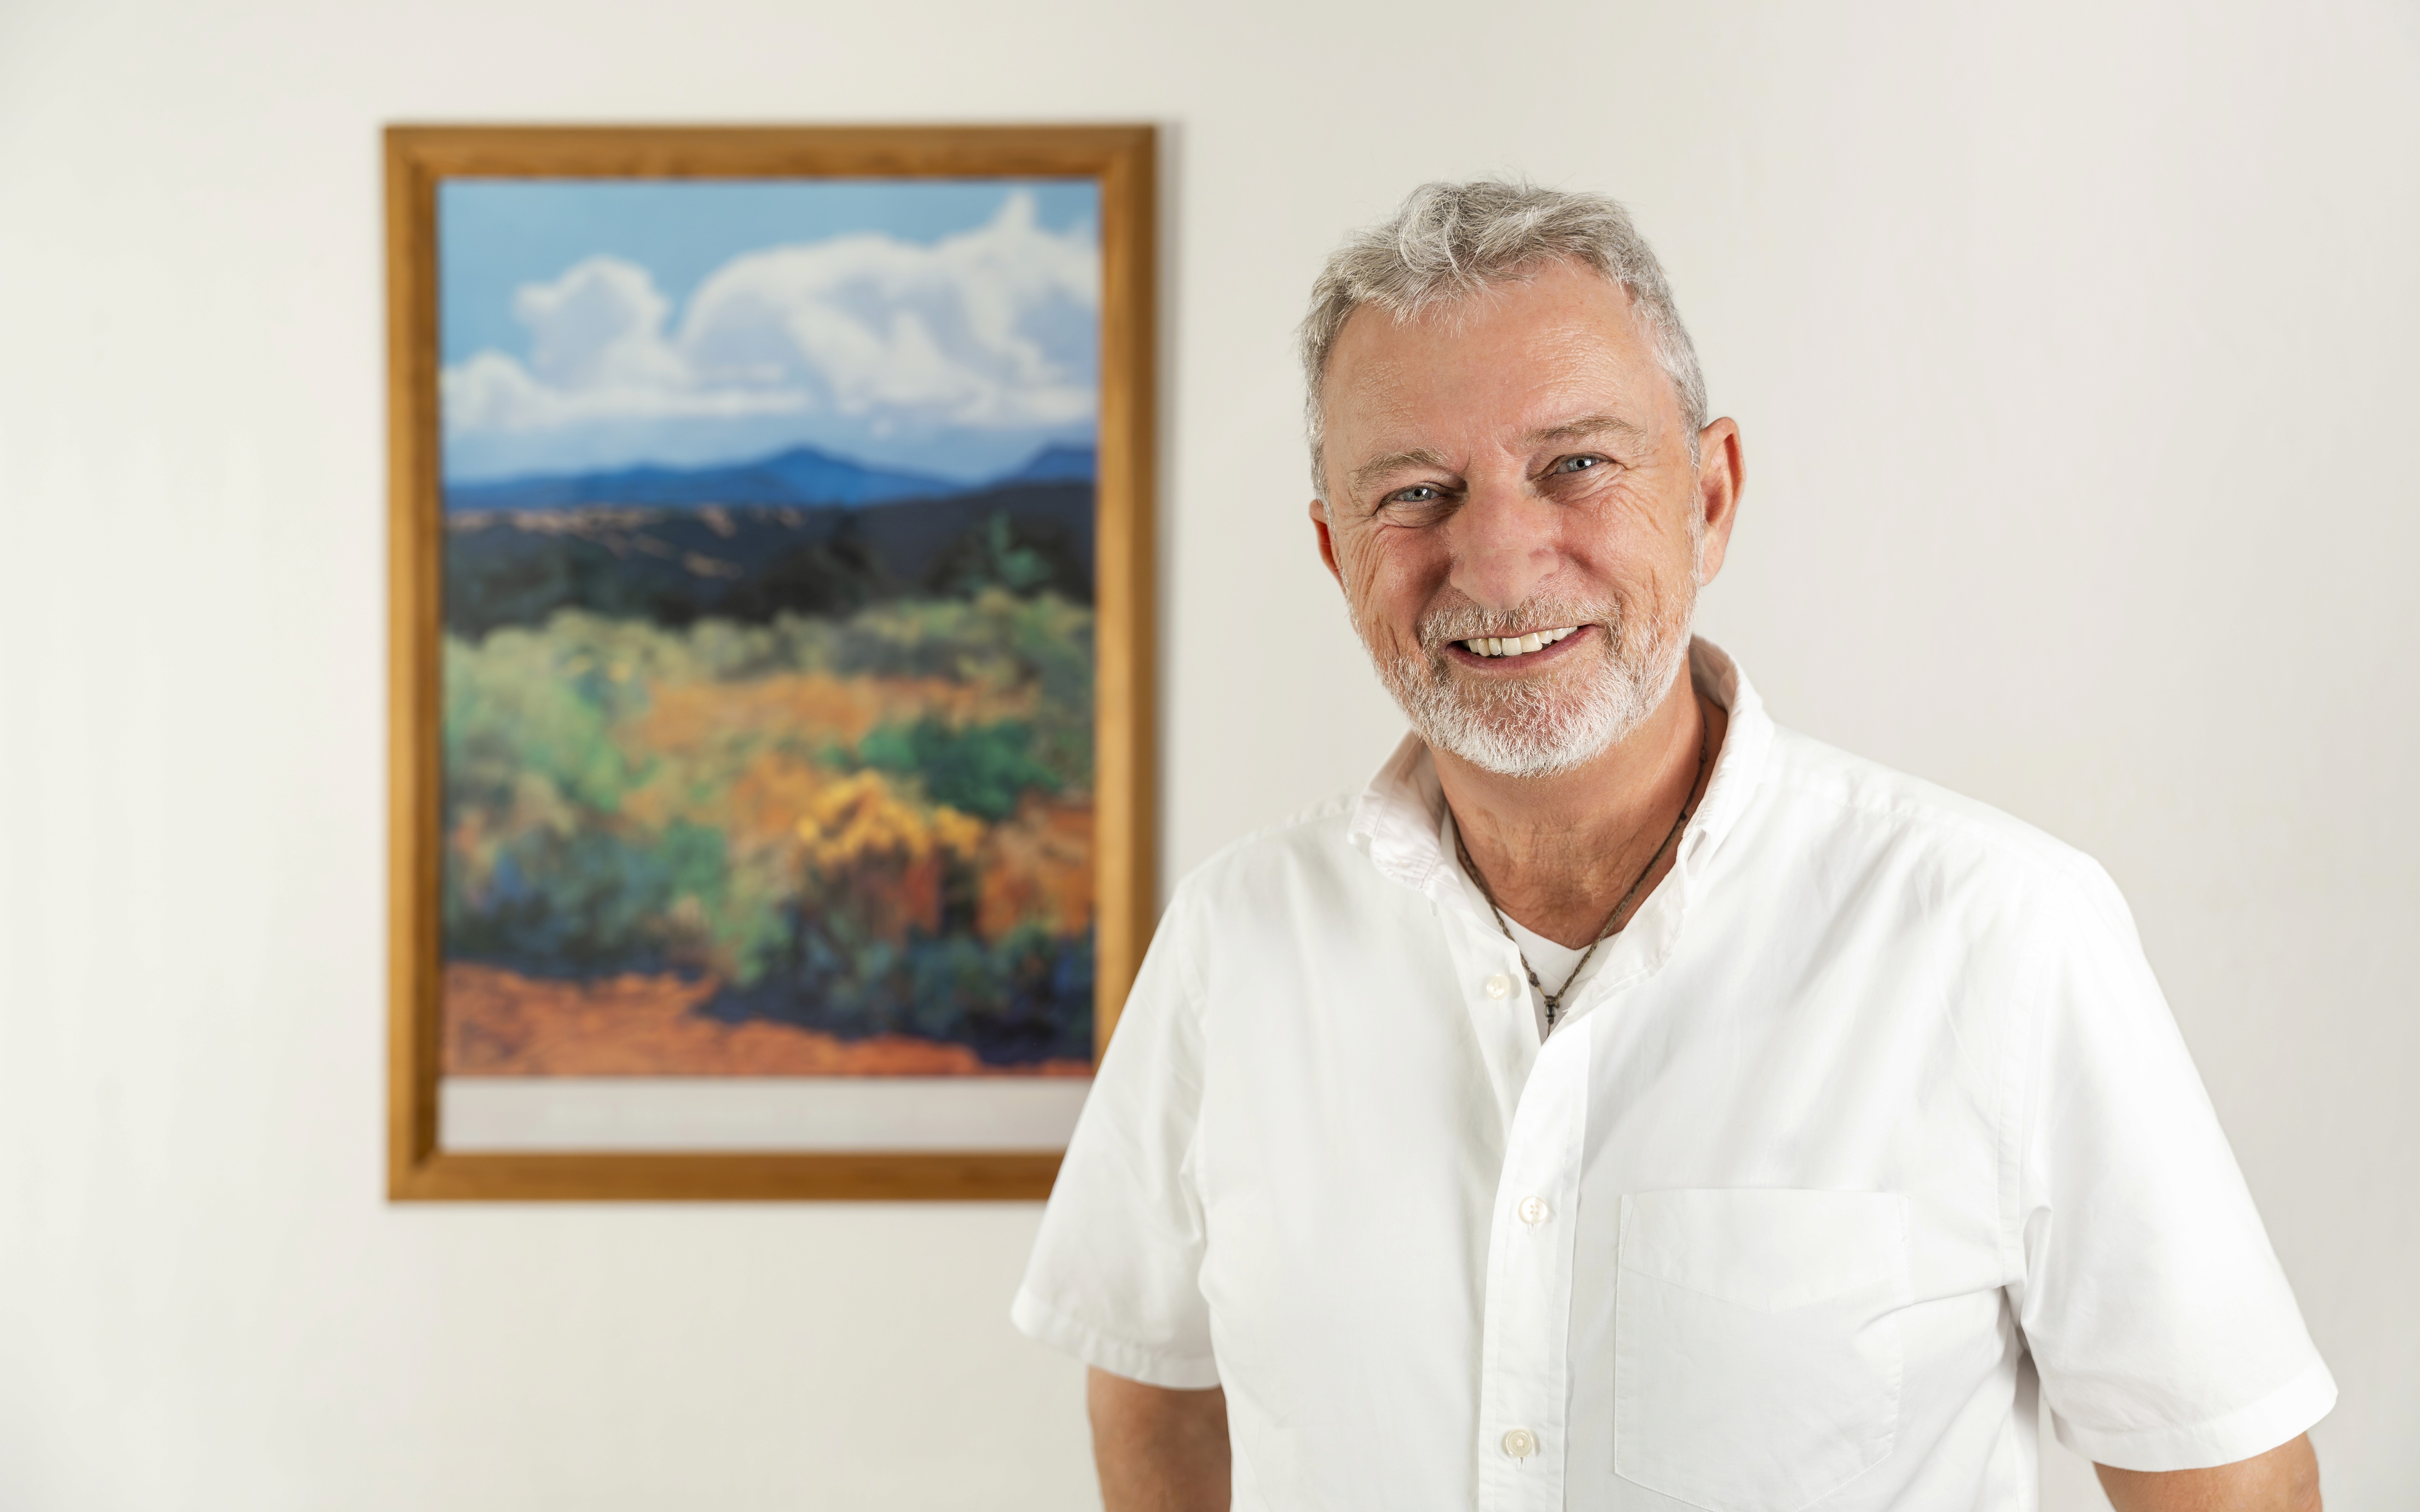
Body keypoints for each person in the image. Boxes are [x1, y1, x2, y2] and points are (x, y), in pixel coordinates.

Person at [1012, 181, 2332, 1511]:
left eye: (1574, 464)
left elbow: (2225, 1480)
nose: (1498, 559)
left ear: (1709, 496)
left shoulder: (1998, 929)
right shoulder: (1235, 938)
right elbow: (1155, 1393)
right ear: (1334, 553)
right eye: (1415, 492)